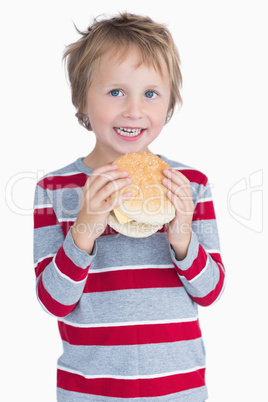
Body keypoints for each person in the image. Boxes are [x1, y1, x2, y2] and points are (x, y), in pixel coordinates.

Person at [33, 12, 225, 401]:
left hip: (179, 388)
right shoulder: (54, 190)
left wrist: (183, 238)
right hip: (90, 391)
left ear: (170, 102)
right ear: (81, 98)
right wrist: (84, 228)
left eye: (151, 93)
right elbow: (54, 301)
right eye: (116, 92)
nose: (134, 110)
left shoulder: (189, 185)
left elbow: (210, 292)